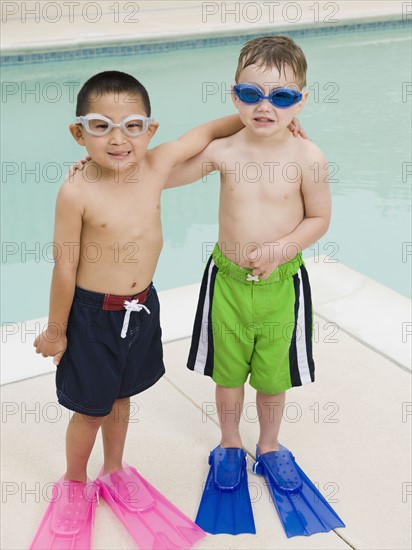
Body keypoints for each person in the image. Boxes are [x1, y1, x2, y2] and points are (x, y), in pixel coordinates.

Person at [30, 70, 245, 549]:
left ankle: (113, 469)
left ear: (151, 131)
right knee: (90, 409)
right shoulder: (76, 192)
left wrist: (258, 114)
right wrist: (56, 331)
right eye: (101, 126)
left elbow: (206, 134)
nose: (118, 138)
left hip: (141, 309)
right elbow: (64, 268)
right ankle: (73, 482)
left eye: (132, 125)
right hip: (91, 317)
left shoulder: (157, 166)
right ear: (78, 133)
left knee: (122, 399)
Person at [166, 36, 344, 537]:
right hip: (226, 283)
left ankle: (268, 444)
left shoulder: (308, 156)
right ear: (233, 96)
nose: (265, 106)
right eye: (251, 94)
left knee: (272, 376)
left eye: (282, 97)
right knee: (228, 372)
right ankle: (228, 442)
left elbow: (320, 217)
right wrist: (105, 166)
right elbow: (163, 175)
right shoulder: (223, 151)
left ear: (301, 101)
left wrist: (282, 248)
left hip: (281, 287)